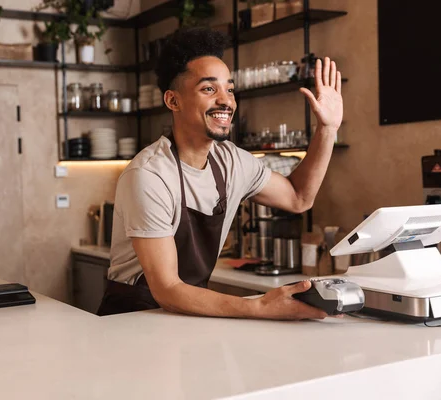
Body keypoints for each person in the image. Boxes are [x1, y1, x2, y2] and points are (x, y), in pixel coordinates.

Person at [97, 28, 343, 319]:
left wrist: (327, 129)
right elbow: (167, 289)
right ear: (173, 101)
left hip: (190, 315)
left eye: (229, 88)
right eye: (209, 89)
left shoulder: (232, 162)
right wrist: (260, 306)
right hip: (132, 320)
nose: (226, 100)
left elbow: (299, 198)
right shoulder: (149, 175)